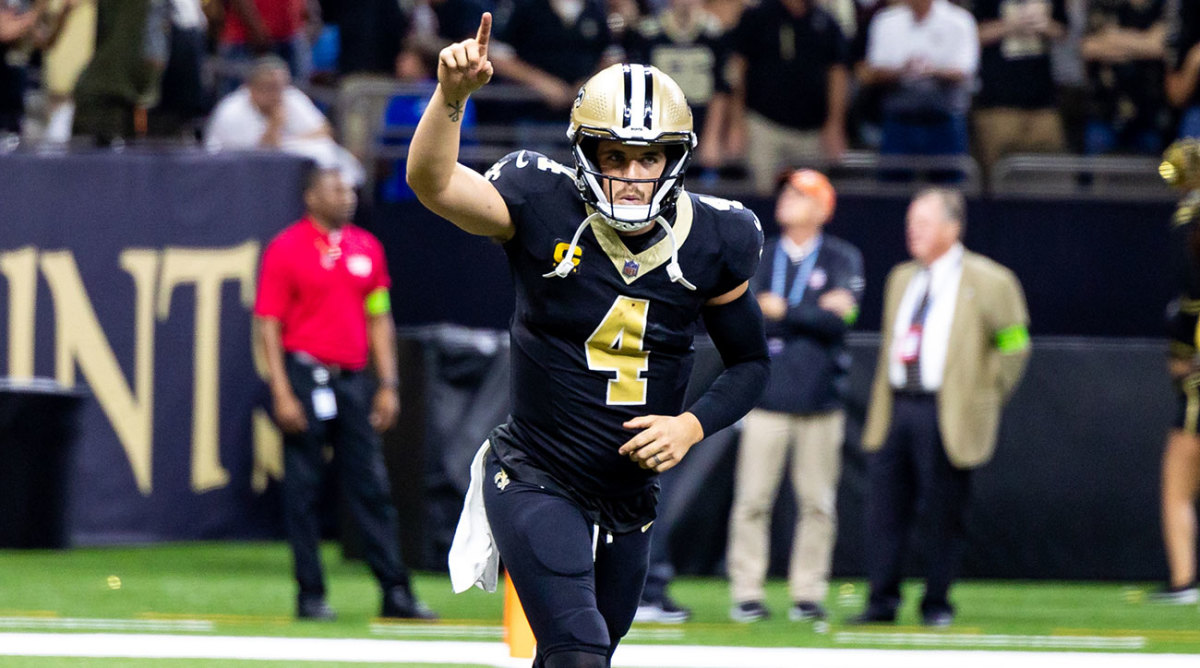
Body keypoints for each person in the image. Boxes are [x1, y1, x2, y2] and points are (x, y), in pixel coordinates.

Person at [408, 15, 769, 667]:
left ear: (675, 157)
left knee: (580, 651)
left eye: (648, 156)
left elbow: (749, 364)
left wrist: (691, 426)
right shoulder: (540, 200)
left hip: (629, 498)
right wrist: (451, 98)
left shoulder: (718, 238)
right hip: (536, 472)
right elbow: (432, 184)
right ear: (587, 155)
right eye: (615, 156)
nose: (632, 173)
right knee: (580, 647)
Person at [253, 168, 436, 622]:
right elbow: (268, 324)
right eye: (337, 189)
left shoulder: (366, 248)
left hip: (352, 378)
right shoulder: (286, 248)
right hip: (304, 373)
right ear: (311, 197)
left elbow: (379, 316)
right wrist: (280, 391)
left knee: (371, 485)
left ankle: (395, 591)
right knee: (303, 490)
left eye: (352, 189)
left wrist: (388, 384)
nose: (349, 196)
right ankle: (310, 595)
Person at [852, 187, 1030, 627]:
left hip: (946, 411)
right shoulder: (900, 278)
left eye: (924, 222)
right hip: (897, 408)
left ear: (953, 228)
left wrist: (983, 396)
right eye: (911, 221)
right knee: (884, 510)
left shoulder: (990, 280)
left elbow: (1015, 345)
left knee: (944, 512)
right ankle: (881, 600)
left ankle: (936, 601)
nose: (912, 230)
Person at [726, 169, 863, 623]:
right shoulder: (762, 254)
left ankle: (808, 593)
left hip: (821, 402)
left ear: (823, 208)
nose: (785, 197)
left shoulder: (843, 257)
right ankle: (747, 591)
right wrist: (811, 315)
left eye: (799, 194)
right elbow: (747, 314)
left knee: (818, 504)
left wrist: (784, 312)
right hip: (766, 398)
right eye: (784, 190)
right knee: (752, 501)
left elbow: (840, 320)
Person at [728, 0, 851, 194]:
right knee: (761, 195)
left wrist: (835, 125)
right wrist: (736, 124)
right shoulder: (758, 16)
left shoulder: (825, 22)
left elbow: (838, 73)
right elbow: (737, 69)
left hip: (811, 131)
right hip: (764, 125)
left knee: (808, 197)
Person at [1153, 139, 1200, 603]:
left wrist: (1183, 349)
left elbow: (1189, 298)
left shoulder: (1190, 220)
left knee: (1177, 479)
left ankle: (1184, 579)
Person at [860, 0, 979, 180]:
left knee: (948, 187)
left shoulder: (959, 20)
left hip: (944, 120)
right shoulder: (886, 21)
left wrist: (932, 70)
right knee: (892, 190)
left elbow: (964, 71)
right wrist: (903, 70)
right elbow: (873, 71)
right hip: (899, 120)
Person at [205, 55, 363, 185]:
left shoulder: (289, 96)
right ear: (251, 87)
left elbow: (324, 131)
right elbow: (260, 158)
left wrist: (289, 141)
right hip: (231, 179)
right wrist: (275, 124)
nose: (277, 94)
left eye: (280, 87)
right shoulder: (232, 111)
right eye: (270, 87)